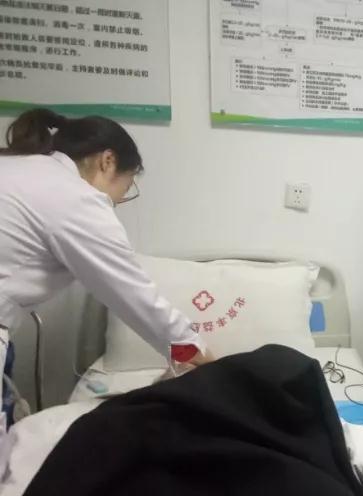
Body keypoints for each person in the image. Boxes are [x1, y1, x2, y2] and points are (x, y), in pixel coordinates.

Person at [0, 109, 213, 453]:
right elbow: (136, 297)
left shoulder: (18, 169)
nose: (116, 201)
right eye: (125, 188)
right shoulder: (75, 199)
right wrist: (206, 360)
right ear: (107, 161)